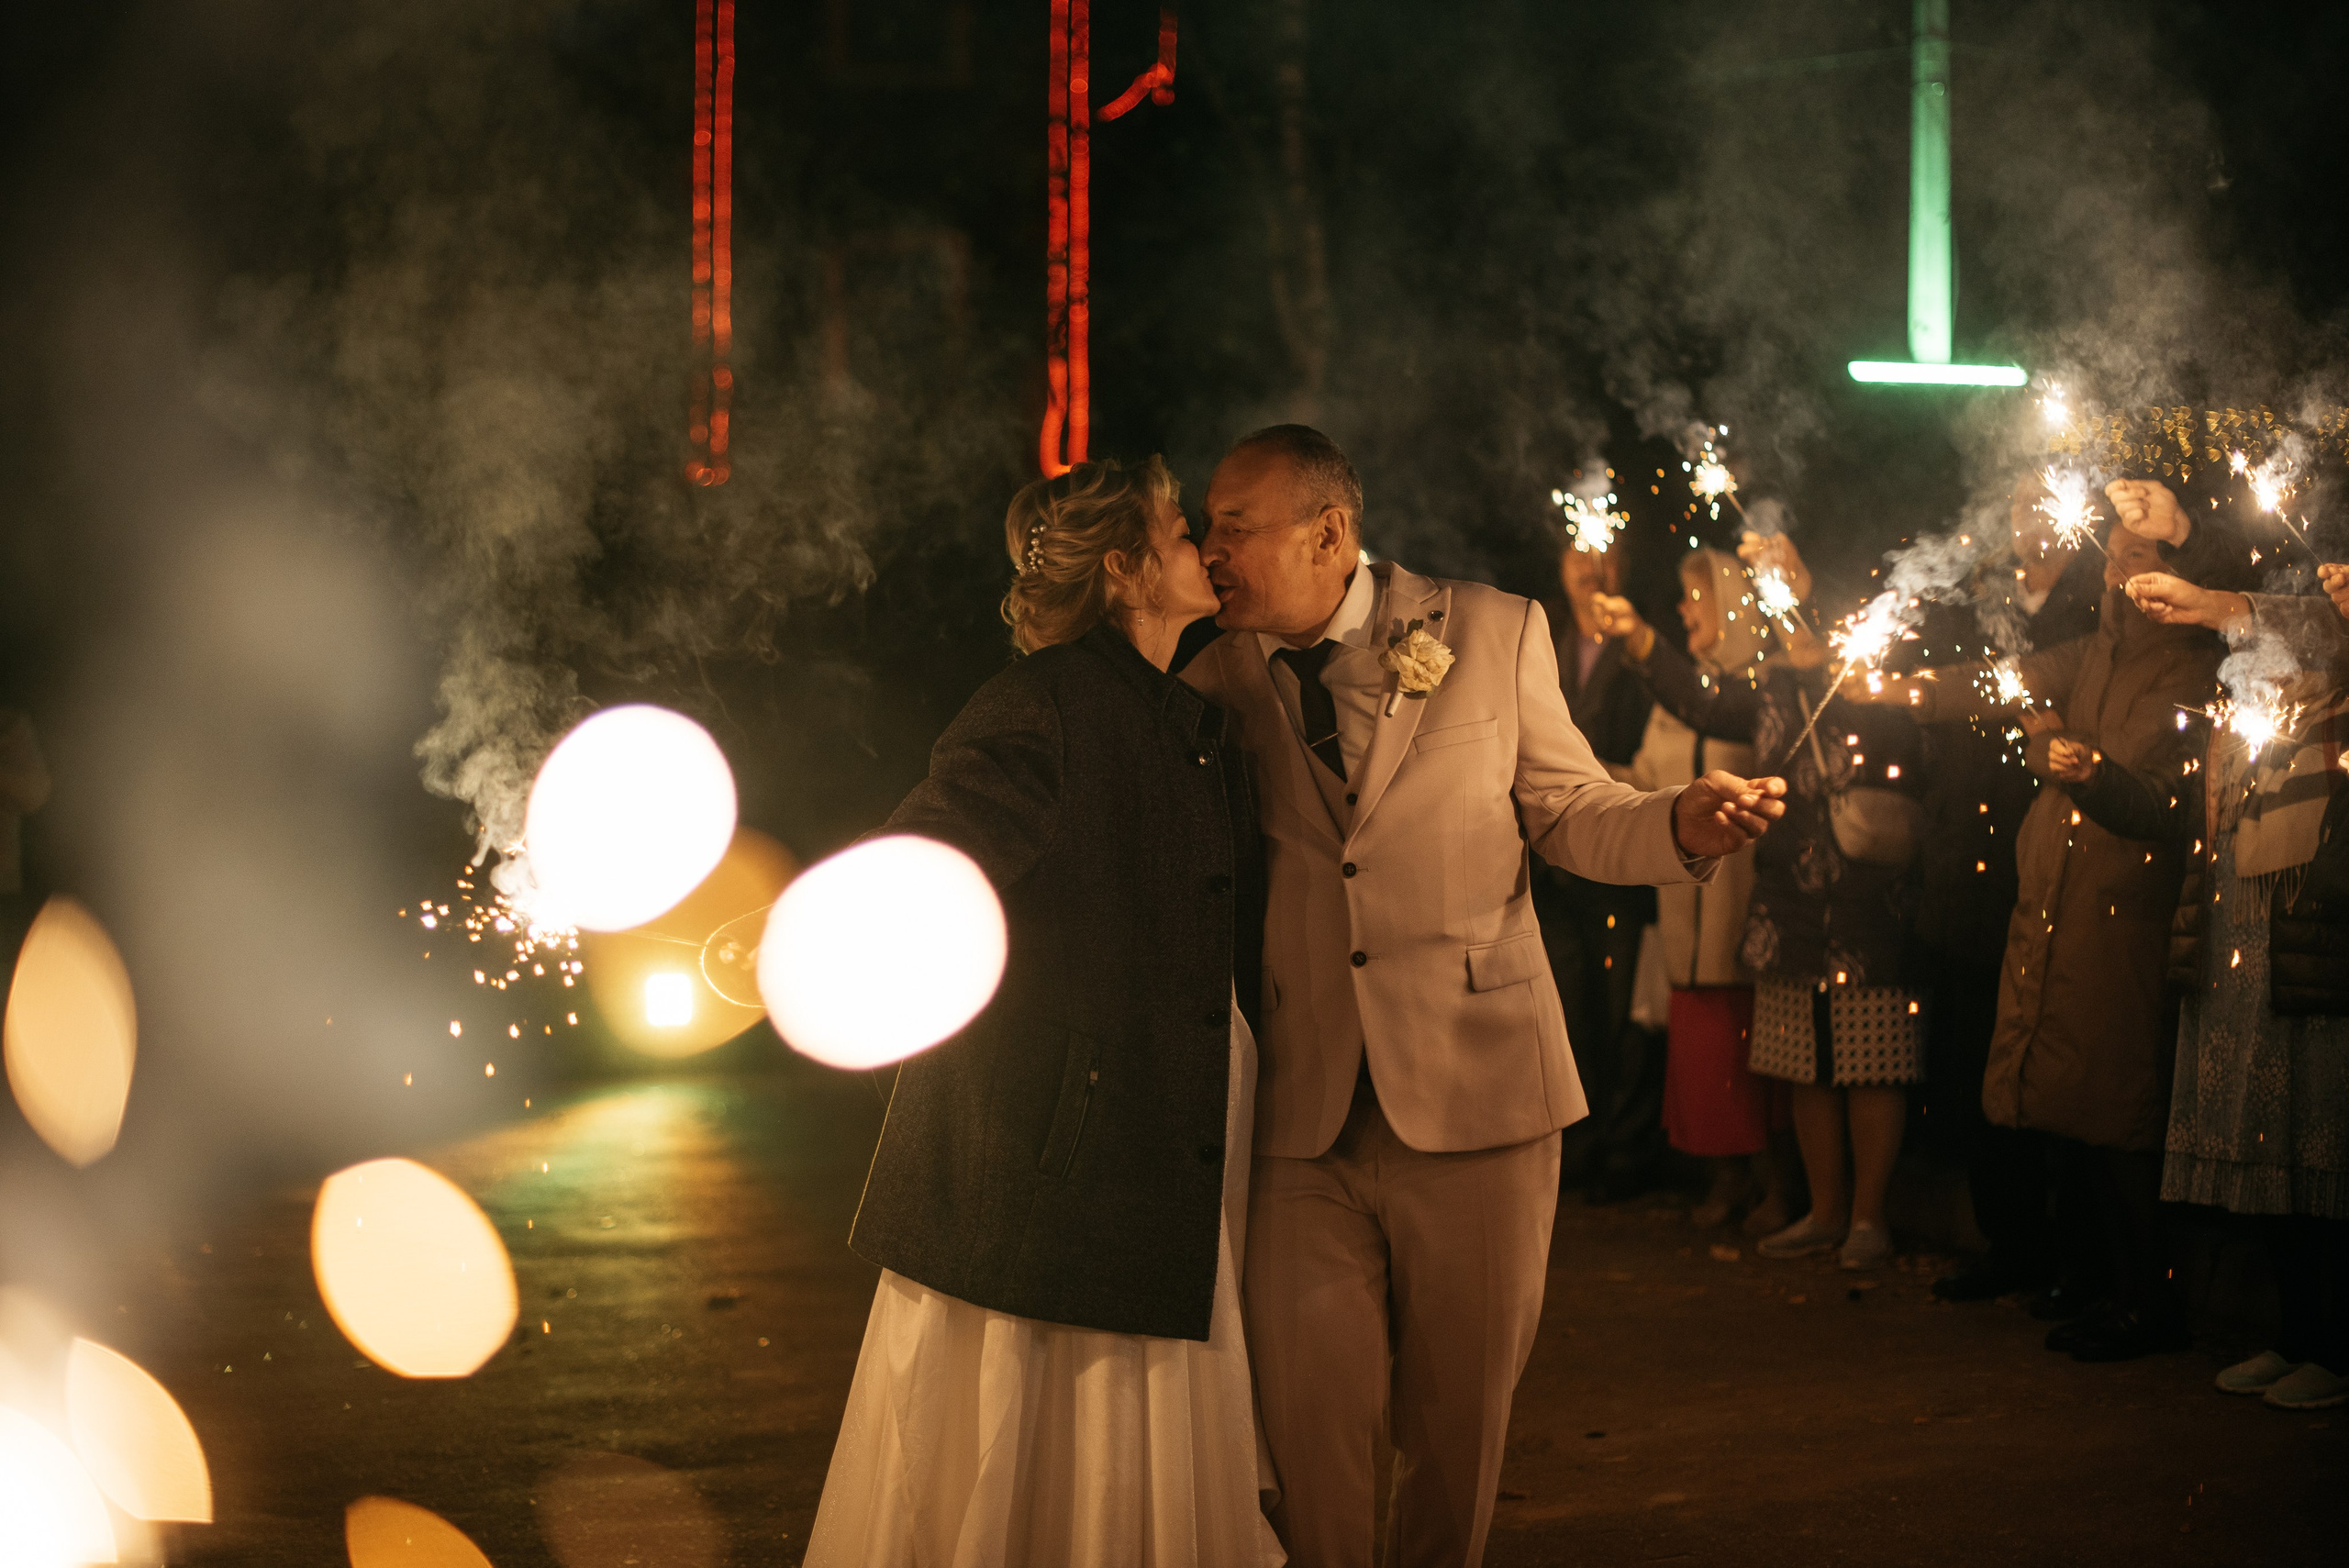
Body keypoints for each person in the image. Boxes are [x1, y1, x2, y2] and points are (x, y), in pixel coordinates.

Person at [1182, 425, 1786, 1568]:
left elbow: (1569, 808)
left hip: (1483, 1090)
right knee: (1311, 1437)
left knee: (1455, 1435)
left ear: (1329, 532)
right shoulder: (1214, 674)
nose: (1209, 549)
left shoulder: (1493, 625)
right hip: (1297, 1122)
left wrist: (1675, 822)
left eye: (1233, 526)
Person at [806, 456, 1285, 1567]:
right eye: (1177, 531)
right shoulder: (1045, 701)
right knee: (1037, 1440)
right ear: (1123, 568)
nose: (1200, 548)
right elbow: (938, 843)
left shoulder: (1175, 706)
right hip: (1061, 1167)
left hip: (1144, 1141)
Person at [1860, 478, 2253, 1362]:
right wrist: (1915, 690)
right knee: (2067, 1105)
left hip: (2122, 912)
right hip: (2061, 902)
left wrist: (2086, 775)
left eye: (2135, 557)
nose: (2114, 570)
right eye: (2110, 555)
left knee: (2115, 1111)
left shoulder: (2189, 669)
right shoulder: (2098, 654)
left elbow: (2159, 807)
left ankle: (2147, 1298)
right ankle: (2086, 1275)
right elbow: (2009, 677)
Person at [2056, 562, 2349, 1410]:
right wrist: (2094, 779)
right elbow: (2175, 815)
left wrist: (2213, 601)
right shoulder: (2241, 717)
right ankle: (2296, 1336)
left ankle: (2335, 1346)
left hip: (2307, 945)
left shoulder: (2337, 685)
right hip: (2237, 946)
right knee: (2263, 1139)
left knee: (2318, 1138)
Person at [1603, 530, 1927, 1273]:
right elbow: (1702, 702)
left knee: (1870, 1061)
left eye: (1787, 587)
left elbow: (1905, 745)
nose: (1776, 599)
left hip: (1864, 893)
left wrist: (1812, 622)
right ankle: (1824, 1211)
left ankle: (1871, 1218)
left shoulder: (1868, 668)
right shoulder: (1771, 681)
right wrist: (1643, 639)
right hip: (1787, 893)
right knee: (1804, 1062)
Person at [1923, 477, 2100, 1307]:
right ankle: (2007, 1237)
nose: (2027, 512)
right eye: (2017, 495)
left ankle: (2071, 1249)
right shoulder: (1981, 596)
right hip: (1968, 858)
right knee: (1975, 1048)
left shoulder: (2095, 602)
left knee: (2053, 1049)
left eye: (2045, 498)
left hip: (2047, 850)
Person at [1620, 546, 1788, 1231]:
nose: (1687, 608)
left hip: (1737, 900)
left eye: (1700, 595)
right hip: (1684, 906)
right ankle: (1727, 1174)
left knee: (1750, 1048)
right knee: (1702, 1047)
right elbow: (1640, 777)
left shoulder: (1762, 687)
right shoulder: (1678, 690)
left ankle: (1776, 1179)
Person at [1539, 536, 1665, 1202]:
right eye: (1577, 556)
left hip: (1617, 855)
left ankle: (1625, 1150)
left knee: (1622, 1009)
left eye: (1606, 555)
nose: (1592, 569)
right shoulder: (1540, 640)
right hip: (1552, 869)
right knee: (1567, 1006)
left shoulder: (1646, 649)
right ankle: (1577, 1145)